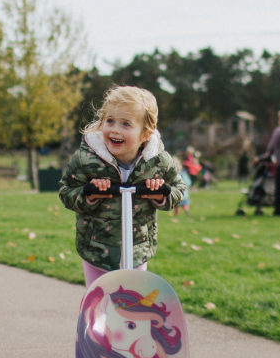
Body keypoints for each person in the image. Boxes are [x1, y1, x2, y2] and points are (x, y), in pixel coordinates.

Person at [58, 85, 186, 287]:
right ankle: (96, 318)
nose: (115, 129)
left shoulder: (158, 161)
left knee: (131, 303)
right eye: (110, 121)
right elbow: (66, 191)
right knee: (100, 302)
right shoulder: (86, 158)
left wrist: (161, 194)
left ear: (145, 134)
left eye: (126, 124)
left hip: (137, 249)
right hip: (96, 249)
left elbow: (178, 188)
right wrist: (88, 194)